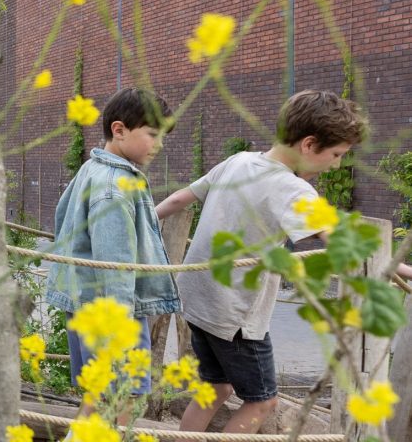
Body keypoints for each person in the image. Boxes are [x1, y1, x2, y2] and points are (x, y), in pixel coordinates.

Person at [156, 90, 365, 434]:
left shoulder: (239, 161)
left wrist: (144, 223)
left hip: (196, 300)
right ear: (309, 145)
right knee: (263, 401)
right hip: (236, 315)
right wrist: (400, 269)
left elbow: (180, 197)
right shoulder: (293, 190)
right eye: (337, 154)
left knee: (216, 389)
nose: (337, 164)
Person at [45, 88, 177, 430]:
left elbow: (61, 221)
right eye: (151, 135)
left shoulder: (91, 169)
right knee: (127, 398)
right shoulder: (115, 185)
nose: (158, 145)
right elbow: (115, 263)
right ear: (119, 130)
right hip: (111, 311)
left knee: (100, 395)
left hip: (85, 301)